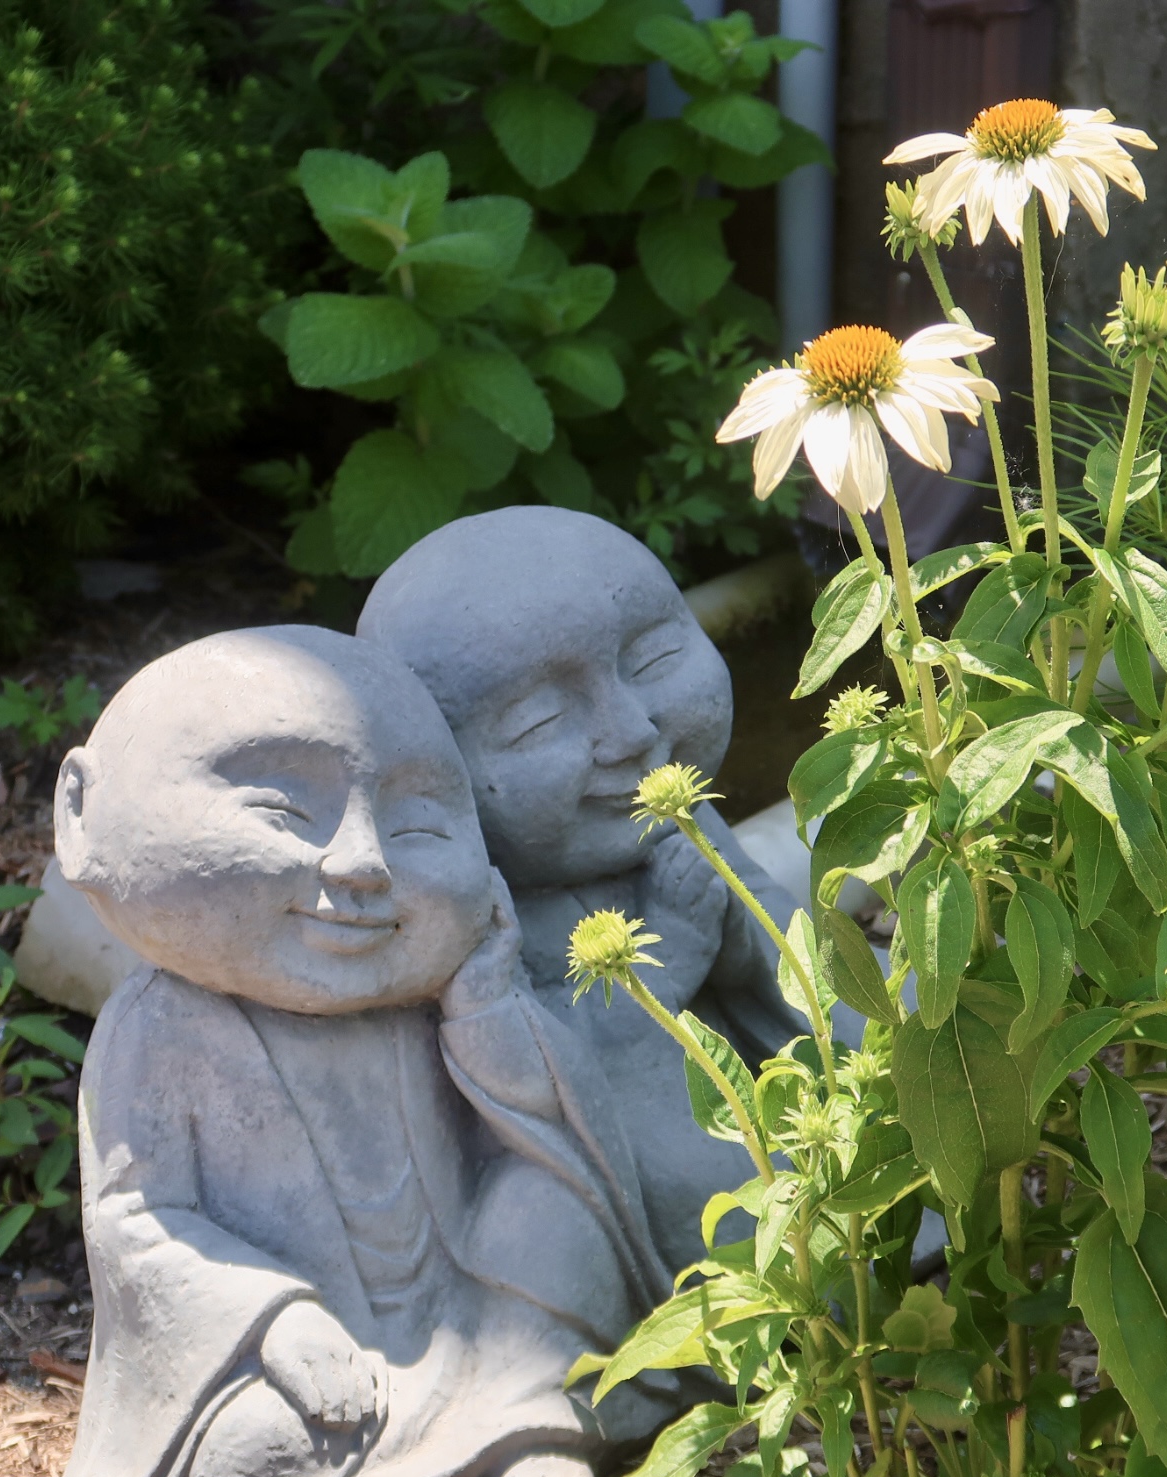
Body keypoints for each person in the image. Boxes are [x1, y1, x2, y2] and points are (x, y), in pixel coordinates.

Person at [42, 626, 670, 1477]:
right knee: (245, 1470)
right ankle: (452, 1469)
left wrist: (487, 1009)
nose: (362, 864)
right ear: (82, 818)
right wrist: (277, 1324)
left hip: (471, 1311)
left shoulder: (432, 994)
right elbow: (140, 1221)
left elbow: (553, 1132)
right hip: (292, 1349)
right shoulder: (160, 1027)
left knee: (550, 1212)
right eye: (282, 811)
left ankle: (528, 1432)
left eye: (417, 827)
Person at [359, 509, 841, 1272]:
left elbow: (796, 967)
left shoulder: (679, 812)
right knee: (702, 1182)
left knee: (888, 1044)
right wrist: (675, 953)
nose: (632, 731)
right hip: (645, 1143)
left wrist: (744, 937)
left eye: (651, 662)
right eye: (540, 721)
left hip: (771, 1100)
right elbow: (535, 1079)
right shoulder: (474, 914)